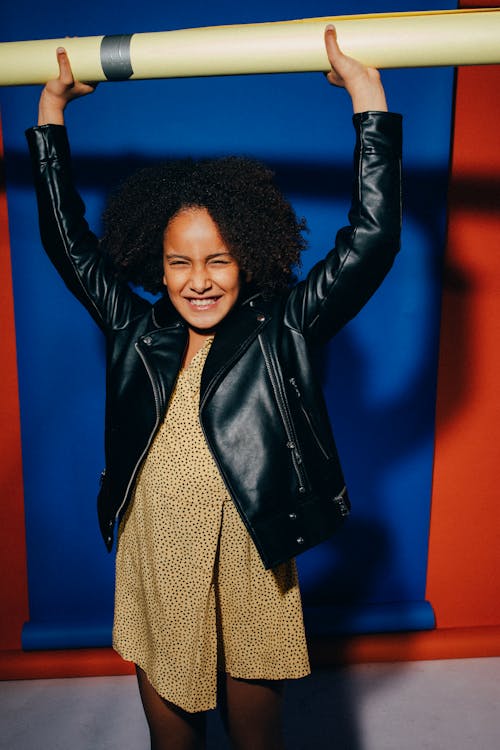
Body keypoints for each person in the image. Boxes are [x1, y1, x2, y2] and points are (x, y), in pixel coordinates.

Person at [26, 25, 402, 750]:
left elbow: (372, 237)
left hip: (251, 539)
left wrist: (368, 99)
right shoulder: (133, 329)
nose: (198, 280)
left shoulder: (284, 326)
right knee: (172, 715)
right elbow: (66, 241)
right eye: (179, 262)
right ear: (155, 264)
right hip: (157, 537)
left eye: (219, 260)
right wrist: (51, 115)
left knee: (255, 720)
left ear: (250, 258)